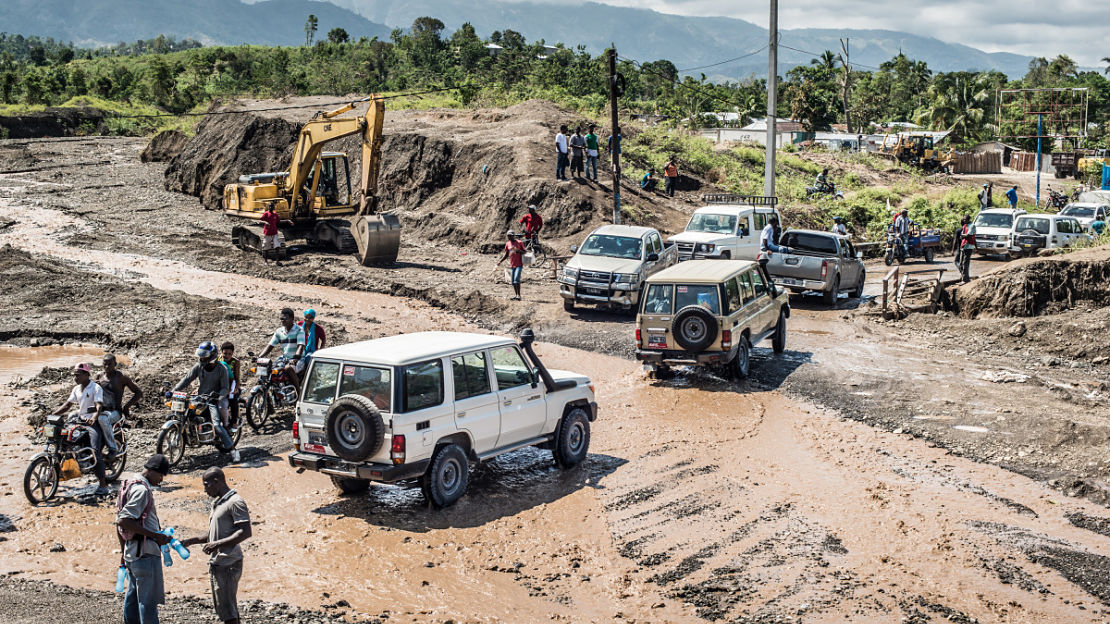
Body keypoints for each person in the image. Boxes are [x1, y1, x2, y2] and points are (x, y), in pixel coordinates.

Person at [182, 468, 252, 624]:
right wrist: (191, 541)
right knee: (227, 608)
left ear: (216, 482)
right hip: (219, 563)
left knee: (228, 612)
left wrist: (217, 544)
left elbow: (245, 532)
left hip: (228, 563)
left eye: (206, 485)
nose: (205, 489)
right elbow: (216, 534)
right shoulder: (218, 503)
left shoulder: (235, 502)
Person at [116, 454, 172, 624]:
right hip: (145, 554)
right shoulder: (142, 490)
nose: (161, 480)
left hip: (132, 554)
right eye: (161, 475)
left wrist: (123, 550)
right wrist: (157, 536)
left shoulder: (129, 484)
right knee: (147, 603)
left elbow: (118, 523)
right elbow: (123, 520)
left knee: (132, 599)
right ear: (152, 471)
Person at [174, 341, 238, 463]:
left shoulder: (222, 369)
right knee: (185, 413)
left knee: (217, 426)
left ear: (212, 356)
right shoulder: (199, 366)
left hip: (213, 399)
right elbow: (186, 379)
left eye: (204, 356)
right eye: (201, 355)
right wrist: (174, 390)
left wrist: (218, 396)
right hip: (200, 398)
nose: (202, 358)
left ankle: (233, 450)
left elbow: (225, 387)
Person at [52, 362, 109, 494]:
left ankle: (103, 484)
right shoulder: (76, 389)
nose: (75, 378)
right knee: (62, 442)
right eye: (74, 375)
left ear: (86, 375)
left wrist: (94, 417)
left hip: (92, 422)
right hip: (80, 419)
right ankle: (54, 474)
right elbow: (67, 405)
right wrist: (53, 414)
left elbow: (99, 405)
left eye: (78, 375)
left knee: (95, 451)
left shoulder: (96, 388)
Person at [96, 353, 143, 460]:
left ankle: (112, 448)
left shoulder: (121, 378)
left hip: (115, 412)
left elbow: (138, 392)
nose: (107, 367)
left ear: (115, 364)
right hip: (100, 410)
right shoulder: (99, 376)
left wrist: (126, 407)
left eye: (110, 364)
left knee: (102, 419)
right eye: (105, 364)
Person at [257, 308, 306, 393]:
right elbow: (270, 346)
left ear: (292, 319)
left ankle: (299, 393)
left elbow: (300, 346)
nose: (282, 320)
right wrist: (260, 356)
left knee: (288, 368)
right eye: (281, 318)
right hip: (284, 358)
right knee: (268, 368)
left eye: (285, 318)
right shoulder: (279, 331)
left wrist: (296, 358)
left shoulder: (299, 330)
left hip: (298, 359)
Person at [218, 343, 241, 433]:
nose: (227, 356)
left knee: (233, 400)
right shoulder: (217, 360)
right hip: (220, 386)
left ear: (232, 353)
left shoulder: (235, 362)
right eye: (225, 353)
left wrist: (235, 388)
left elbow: (237, 377)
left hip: (231, 385)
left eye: (229, 354)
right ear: (221, 352)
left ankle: (234, 421)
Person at [497, 230, 526, 301]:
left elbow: (525, 252)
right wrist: (500, 261)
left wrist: (518, 251)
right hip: (512, 264)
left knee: (516, 280)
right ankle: (516, 295)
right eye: (508, 236)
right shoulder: (507, 244)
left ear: (513, 235)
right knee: (513, 282)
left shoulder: (519, 242)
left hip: (519, 264)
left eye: (511, 235)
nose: (509, 237)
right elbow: (506, 254)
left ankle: (519, 295)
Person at [956, 215, 976, 283]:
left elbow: (968, 235)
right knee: (961, 263)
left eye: (965, 219)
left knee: (965, 263)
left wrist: (964, 236)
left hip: (968, 246)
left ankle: (965, 279)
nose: (964, 221)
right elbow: (963, 235)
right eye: (963, 220)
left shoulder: (972, 226)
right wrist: (964, 236)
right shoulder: (965, 226)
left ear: (969, 219)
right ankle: (963, 277)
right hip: (963, 245)